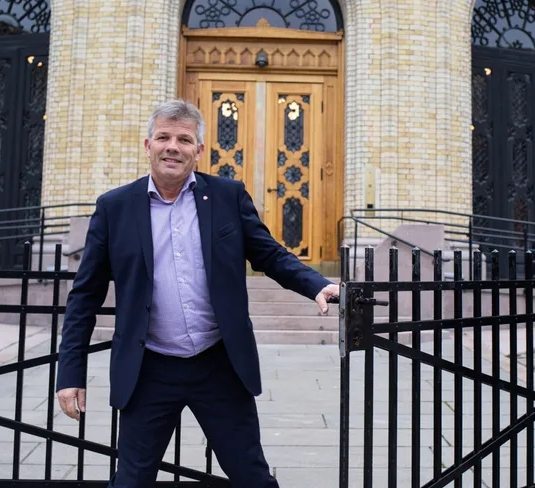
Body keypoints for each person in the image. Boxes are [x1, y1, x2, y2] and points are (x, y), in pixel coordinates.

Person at [54, 99, 339, 487]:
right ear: (147, 145)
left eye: (184, 139)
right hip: (149, 368)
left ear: (199, 151)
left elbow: (268, 254)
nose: (173, 146)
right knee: (131, 480)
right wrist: (70, 372)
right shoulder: (114, 207)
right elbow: (84, 296)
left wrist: (317, 284)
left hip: (219, 363)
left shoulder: (227, 196)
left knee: (250, 475)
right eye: (164, 137)